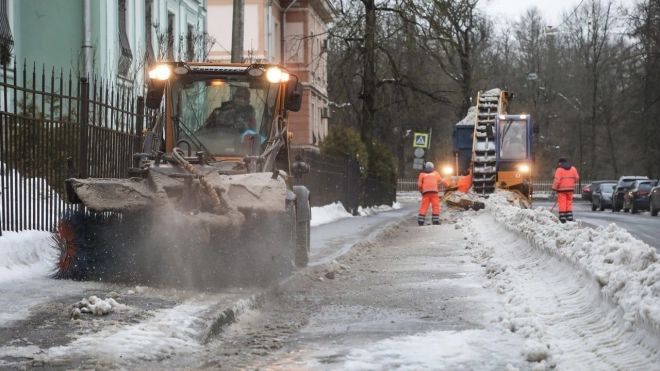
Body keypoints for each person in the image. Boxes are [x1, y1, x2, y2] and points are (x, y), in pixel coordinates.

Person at [417, 162, 450, 226]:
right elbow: (442, 181)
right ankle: (435, 221)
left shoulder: (422, 174)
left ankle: (421, 221)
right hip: (434, 193)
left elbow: (419, 184)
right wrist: (448, 186)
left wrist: (421, 190)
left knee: (424, 207)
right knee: (435, 206)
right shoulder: (435, 173)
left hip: (425, 193)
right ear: (433, 167)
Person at [552, 157, 580, 223]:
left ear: (559, 163)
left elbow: (557, 180)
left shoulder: (559, 169)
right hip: (570, 189)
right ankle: (569, 217)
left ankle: (562, 218)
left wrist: (554, 189)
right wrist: (572, 183)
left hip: (561, 190)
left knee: (562, 203)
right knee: (569, 203)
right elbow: (577, 178)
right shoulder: (573, 168)